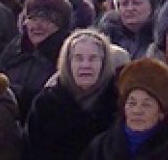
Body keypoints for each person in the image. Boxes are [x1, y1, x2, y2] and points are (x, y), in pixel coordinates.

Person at [26, 29, 120, 159]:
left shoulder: (118, 103)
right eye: (78, 58)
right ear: (67, 63)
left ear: (104, 63)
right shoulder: (46, 104)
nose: (85, 65)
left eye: (93, 59)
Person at [81, 57, 168, 160]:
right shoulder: (100, 147)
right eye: (132, 103)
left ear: (161, 113)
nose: (137, 111)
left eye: (146, 105)